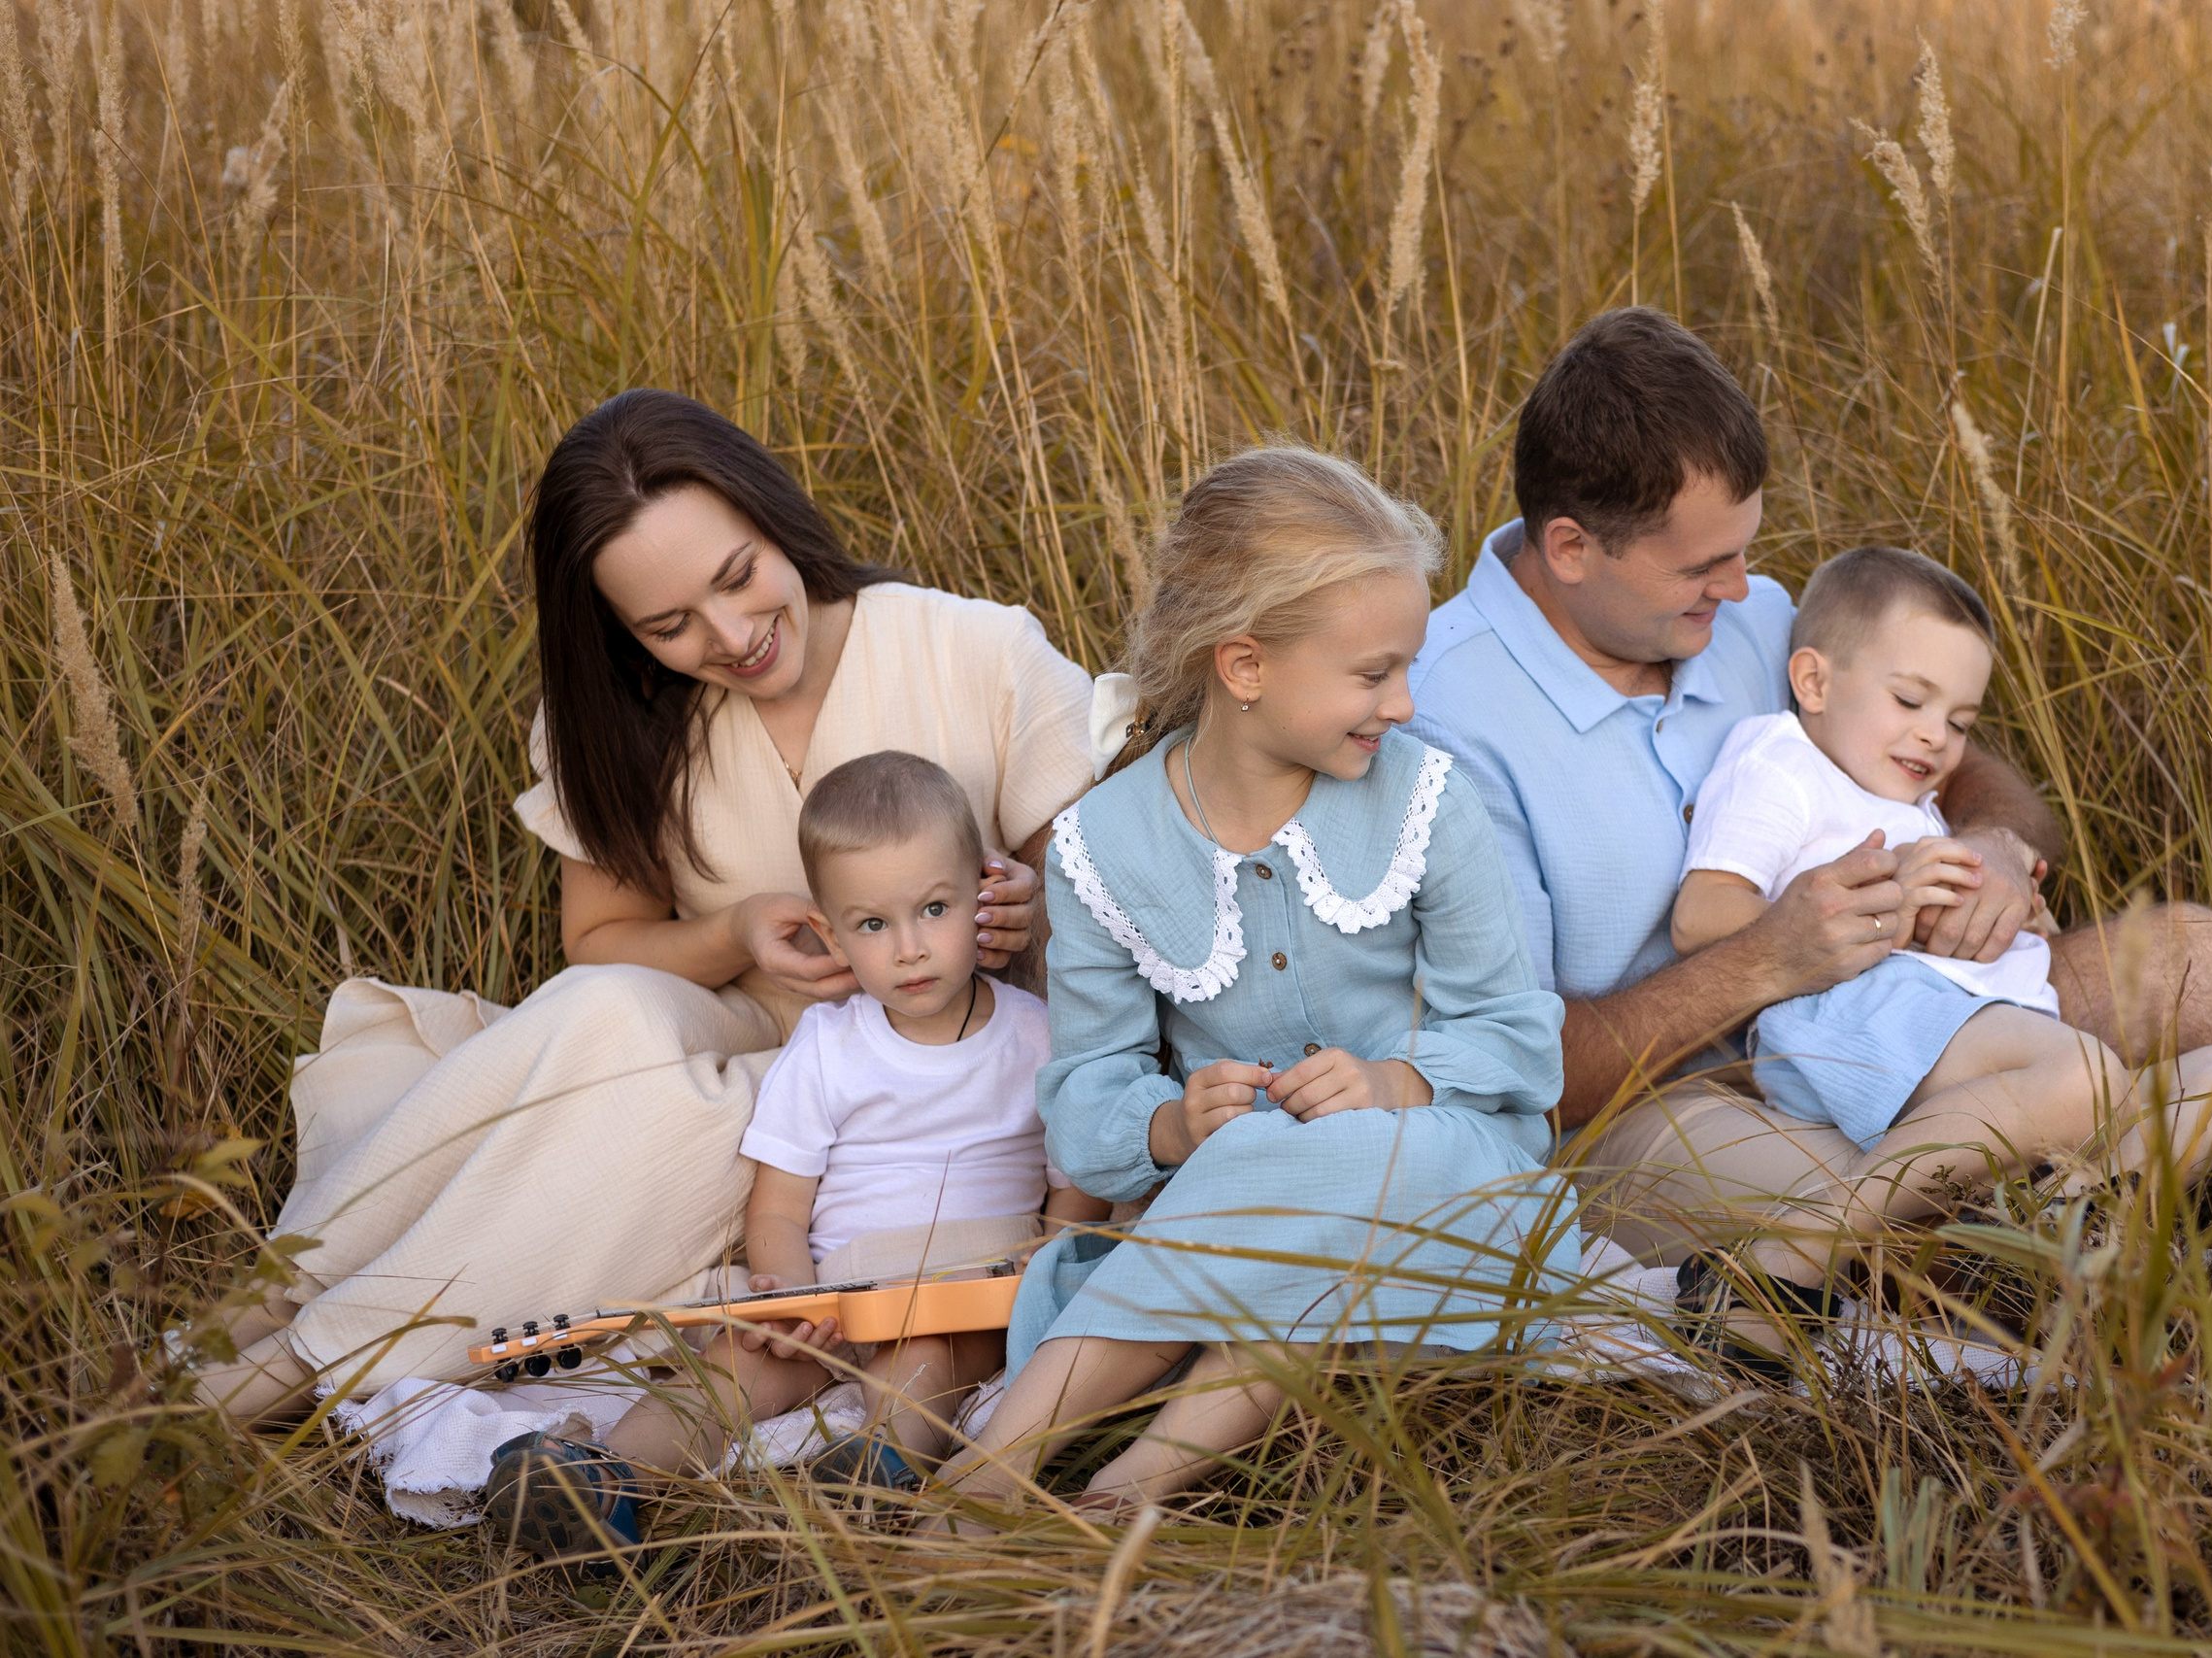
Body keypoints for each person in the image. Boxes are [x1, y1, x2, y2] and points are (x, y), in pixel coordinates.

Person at [1408, 306, 2212, 1297]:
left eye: (1744, 552)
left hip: (1903, 1009)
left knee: (2193, 962)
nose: (1739, 589)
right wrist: (1771, 958)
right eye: (1705, 566)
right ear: (1570, 547)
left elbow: (1962, 763)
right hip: (1650, 1115)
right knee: (1966, 1212)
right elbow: (1518, 1070)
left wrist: (1995, 847)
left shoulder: (1753, 617)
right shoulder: (1447, 722)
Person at [191, 390, 1097, 1419]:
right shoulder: (626, 715)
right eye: (671, 625)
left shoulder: (976, 652)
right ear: (623, 633)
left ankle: (302, 1359)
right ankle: (278, 1293)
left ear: (771, 516)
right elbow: (600, 944)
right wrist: (734, 928)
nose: (734, 636)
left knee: (667, 1118)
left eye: (739, 576)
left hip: (917, 1070)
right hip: (744, 1023)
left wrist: (1028, 909)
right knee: (602, 1010)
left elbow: (1106, 908)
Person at [929, 448, 1576, 1523]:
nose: (1403, 702)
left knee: (1319, 1168)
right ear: (1244, 667)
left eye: (1406, 668)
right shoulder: (1103, 846)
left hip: (1450, 1170)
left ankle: (991, 1477)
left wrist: (1395, 1083)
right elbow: (1087, 1094)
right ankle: (1107, 1507)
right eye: (1372, 674)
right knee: (1288, 1210)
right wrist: (1175, 1125)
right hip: (1249, 1211)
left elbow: (1516, 1038)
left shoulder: (1427, 801)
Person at [481, 752, 1108, 1561]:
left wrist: (1045, 1264)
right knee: (737, 1362)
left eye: (934, 908)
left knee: (930, 1359)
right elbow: (778, 1205)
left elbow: (1075, 1184)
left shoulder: (1036, 1033)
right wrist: (793, 1296)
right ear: (833, 932)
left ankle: (875, 1471)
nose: (910, 948)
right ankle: (603, 1474)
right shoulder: (826, 1045)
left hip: (967, 1288)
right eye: (873, 925)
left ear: (982, 894)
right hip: (836, 1289)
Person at [1664, 546, 2212, 1378]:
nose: (1935, 736)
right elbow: (1702, 917)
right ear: (1813, 681)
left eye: (1959, 721)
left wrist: (2014, 917)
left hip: (1961, 1019)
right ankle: (1792, 1252)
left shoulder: (1903, 796)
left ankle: (2056, 1228)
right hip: (1852, 1014)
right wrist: (1889, 897)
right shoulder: (1780, 760)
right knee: (2086, 1076)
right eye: (1910, 700)